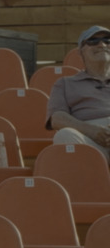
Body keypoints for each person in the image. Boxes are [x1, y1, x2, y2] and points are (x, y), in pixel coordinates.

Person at [45, 25, 110, 161]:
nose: (102, 44)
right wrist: (91, 130)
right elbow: (57, 119)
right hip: (90, 142)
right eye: (93, 41)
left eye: (107, 40)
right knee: (63, 135)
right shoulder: (64, 84)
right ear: (81, 51)